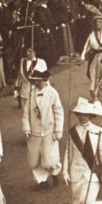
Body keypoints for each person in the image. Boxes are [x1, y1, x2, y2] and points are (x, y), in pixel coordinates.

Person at [64, 97, 102, 204]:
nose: (81, 117)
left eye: (84, 114)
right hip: (76, 174)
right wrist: (65, 171)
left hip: (92, 174)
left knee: (86, 203)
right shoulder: (73, 132)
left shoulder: (99, 131)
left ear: (90, 115)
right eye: (79, 114)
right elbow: (69, 152)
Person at [21, 59, 64, 190]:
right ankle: (42, 181)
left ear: (45, 81)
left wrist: (58, 130)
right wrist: (26, 128)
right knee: (36, 158)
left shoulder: (52, 93)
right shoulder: (31, 94)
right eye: (35, 81)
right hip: (35, 132)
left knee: (50, 157)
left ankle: (55, 174)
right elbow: (26, 112)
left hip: (48, 131)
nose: (36, 83)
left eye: (38, 81)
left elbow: (58, 111)